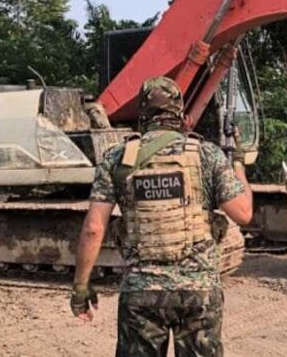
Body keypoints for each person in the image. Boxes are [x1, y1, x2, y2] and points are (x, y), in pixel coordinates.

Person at [70, 76, 253, 357]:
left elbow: (94, 228)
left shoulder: (118, 158)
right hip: (198, 292)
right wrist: (238, 162)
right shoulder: (206, 155)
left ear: (143, 113)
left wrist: (81, 286)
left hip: (141, 293)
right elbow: (243, 213)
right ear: (179, 113)